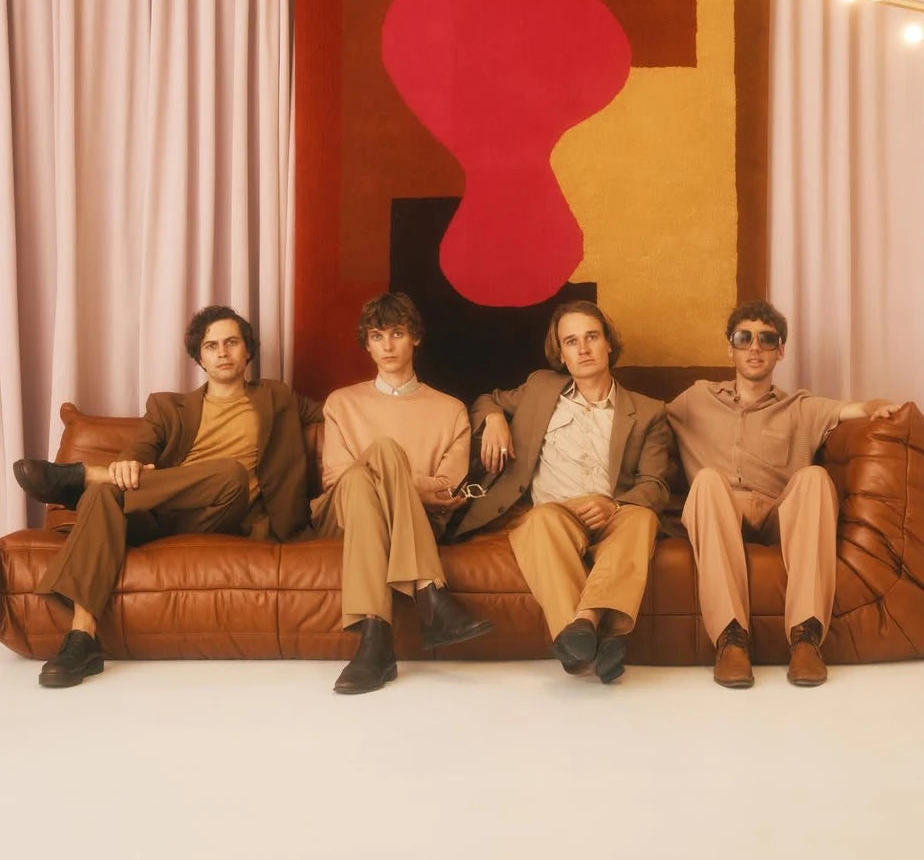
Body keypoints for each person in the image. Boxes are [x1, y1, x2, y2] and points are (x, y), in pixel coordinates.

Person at [13, 305, 322, 688]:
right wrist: (124, 466)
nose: (222, 352)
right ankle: (82, 639)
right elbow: (139, 452)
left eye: (231, 342)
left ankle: (87, 477)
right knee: (106, 495)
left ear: (248, 351)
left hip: (221, 512)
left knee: (229, 474)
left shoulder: (278, 396)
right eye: (211, 346)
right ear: (199, 357)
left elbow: (339, 410)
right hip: (156, 514)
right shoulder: (167, 407)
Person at [667, 299, 900, 689]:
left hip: (778, 514)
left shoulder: (801, 407)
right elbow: (644, 418)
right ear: (729, 348)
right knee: (706, 480)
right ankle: (731, 639)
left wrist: (884, 407)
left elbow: (857, 408)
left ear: (781, 351)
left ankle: (806, 637)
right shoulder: (696, 399)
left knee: (814, 478)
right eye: (744, 338)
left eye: (767, 339)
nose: (755, 347)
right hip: (720, 510)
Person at [450, 300, 672, 684]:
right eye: (571, 341)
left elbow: (656, 484)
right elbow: (487, 400)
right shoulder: (540, 388)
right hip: (555, 514)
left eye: (591, 337)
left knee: (643, 518)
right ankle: (597, 636)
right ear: (561, 354)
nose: (582, 349)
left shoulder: (649, 412)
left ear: (608, 344)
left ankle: (582, 629)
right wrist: (495, 418)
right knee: (539, 521)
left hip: (615, 514)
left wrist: (614, 504)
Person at [311, 292, 492, 695]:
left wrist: (390, 481)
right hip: (341, 515)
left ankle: (375, 642)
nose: (388, 346)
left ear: (416, 338)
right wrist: (408, 481)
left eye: (397, 333)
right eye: (377, 336)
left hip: (412, 520)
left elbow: (447, 488)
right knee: (378, 457)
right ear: (367, 344)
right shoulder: (342, 403)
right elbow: (337, 478)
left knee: (368, 478)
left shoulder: (450, 409)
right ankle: (429, 591)